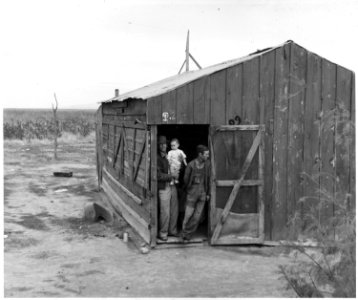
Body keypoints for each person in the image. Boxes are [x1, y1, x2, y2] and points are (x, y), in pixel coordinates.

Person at [181, 145, 210, 241]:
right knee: (188, 215)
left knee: (197, 216)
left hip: (202, 194)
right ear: (200, 154)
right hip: (192, 194)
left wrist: (208, 193)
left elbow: (209, 180)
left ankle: (187, 233)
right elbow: (185, 180)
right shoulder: (191, 165)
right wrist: (189, 189)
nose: (207, 156)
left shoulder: (207, 164)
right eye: (206, 154)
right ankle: (184, 234)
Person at [157, 135, 179, 241]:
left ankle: (172, 231)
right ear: (158, 145)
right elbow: (158, 175)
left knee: (174, 209)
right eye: (161, 144)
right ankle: (163, 233)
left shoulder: (170, 155)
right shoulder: (157, 158)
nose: (163, 146)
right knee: (165, 211)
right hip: (164, 186)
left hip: (172, 185)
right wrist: (172, 176)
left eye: (164, 144)